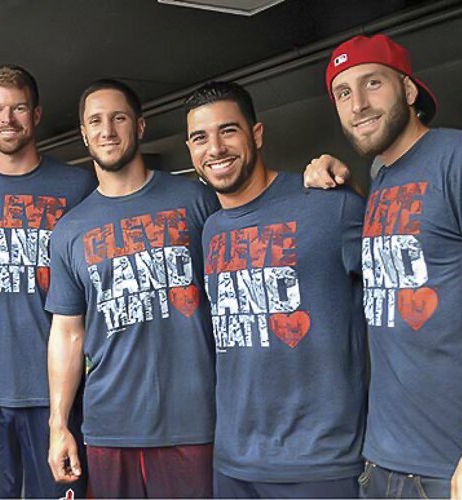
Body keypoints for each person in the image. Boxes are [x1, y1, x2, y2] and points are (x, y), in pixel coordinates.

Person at [306, 34, 462, 498]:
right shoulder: (380, 177)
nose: (358, 104)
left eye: (372, 84)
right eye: (343, 93)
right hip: (383, 461)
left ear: (408, 89)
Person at [183, 80, 366, 497]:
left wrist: (351, 186)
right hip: (233, 462)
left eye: (228, 130)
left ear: (256, 134)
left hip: (320, 464)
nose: (215, 148)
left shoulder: (329, 206)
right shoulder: (211, 229)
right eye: (200, 137)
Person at [45, 79, 219, 498]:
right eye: (96, 121)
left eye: (118, 117)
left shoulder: (194, 200)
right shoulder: (70, 231)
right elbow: (68, 333)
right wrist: (59, 424)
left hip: (195, 422)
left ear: (139, 126)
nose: (107, 130)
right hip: (110, 426)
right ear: (84, 134)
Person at [0, 64, 95, 498]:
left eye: (18, 108)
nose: (7, 119)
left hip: (56, 391)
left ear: (37, 114)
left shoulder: (78, 185)